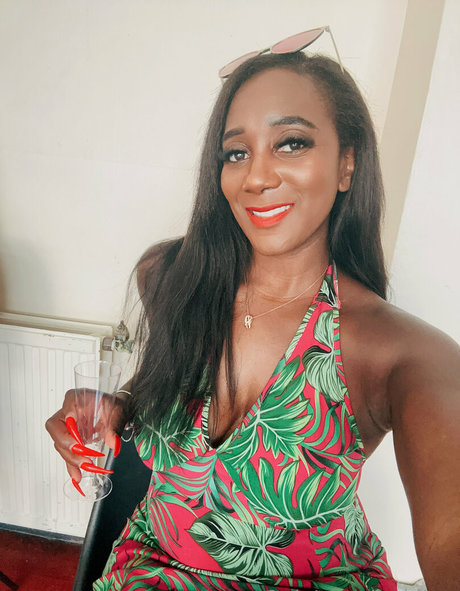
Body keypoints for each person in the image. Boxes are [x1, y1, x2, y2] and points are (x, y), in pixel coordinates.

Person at [46, 32, 460, 591]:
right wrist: (114, 409)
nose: (257, 177)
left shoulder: (402, 355)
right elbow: (164, 407)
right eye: (236, 153)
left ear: (347, 164)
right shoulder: (171, 279)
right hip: (144, 571)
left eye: (291, 143)